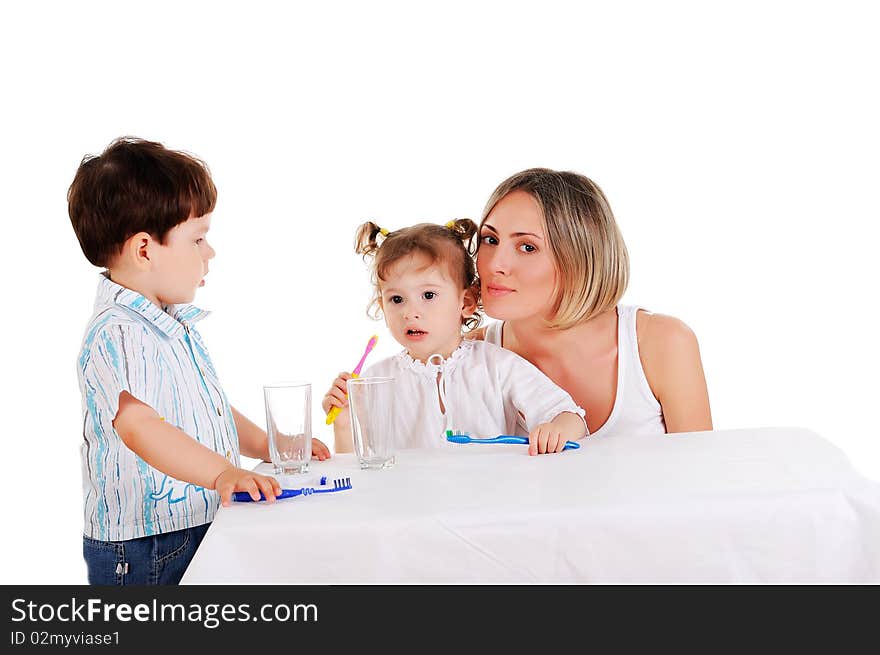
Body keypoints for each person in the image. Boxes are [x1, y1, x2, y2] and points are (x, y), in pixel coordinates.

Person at [68, 137, 330, 585]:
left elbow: (209, 410)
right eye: (199, 238)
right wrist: (223, 473)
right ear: (145, 250)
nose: (210, 252)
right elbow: (140, 427)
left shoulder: (171, 324)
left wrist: (268, 445)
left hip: (195, 520)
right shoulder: (120, 330)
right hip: (147, 545)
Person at [471, 168, 712, 442]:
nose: (494, 264)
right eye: (490, 240)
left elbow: (700, 475)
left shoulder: (661, 344)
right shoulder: (468, 358)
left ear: (578, 257)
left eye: (527, 247)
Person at [322, 219, 587, 454]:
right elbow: (355, 467)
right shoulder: (374, 381)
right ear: (382, 305)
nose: (410, 312)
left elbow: (570, 416)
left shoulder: (497, 365)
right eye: (396, 299)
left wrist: (557, 430)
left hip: (490, 505)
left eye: (428, 295)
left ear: (466, 302)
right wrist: (344, 423)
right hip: (408, 508)